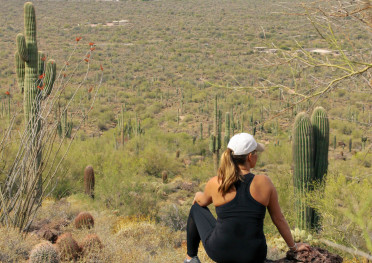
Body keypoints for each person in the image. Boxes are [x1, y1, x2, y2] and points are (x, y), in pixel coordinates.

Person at [184, 133, 310, 263]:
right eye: (256, 153)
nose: (257, 156)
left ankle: (190, 258)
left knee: (196, 208)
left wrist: (197, 194)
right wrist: (294, 247)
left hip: (220, 252)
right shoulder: (264, 182)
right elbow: (278, 219)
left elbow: (201, 202)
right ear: (250, 157)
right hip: (254, 255)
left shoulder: (216, 183)